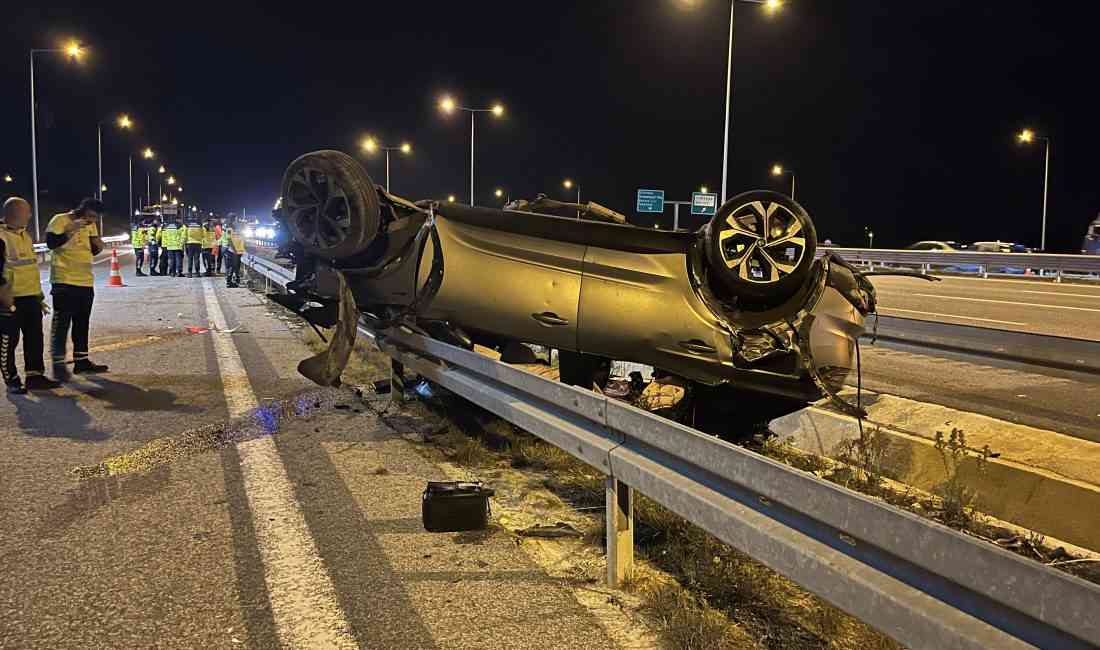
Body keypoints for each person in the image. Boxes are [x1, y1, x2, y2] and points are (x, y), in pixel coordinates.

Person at [0, 197, 63, 393]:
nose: (30, 214)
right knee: (8, 343)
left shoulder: (24, 236)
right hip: (9, 299)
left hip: (30, 298)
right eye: (27, 211)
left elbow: (29, 270)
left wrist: (39, 298)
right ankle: (12, 380)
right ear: (15, 213)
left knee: (34, 338)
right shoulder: (1, 237)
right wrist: (4, 297)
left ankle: (35, 377)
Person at [46, 197, 109, 380]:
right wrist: (70, 230)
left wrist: (98, 245)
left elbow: (92, 250)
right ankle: (58, 366)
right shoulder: (60, 220)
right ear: (82, 210)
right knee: (61, 324)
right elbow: (51, 243)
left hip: (85, 281)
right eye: (90, 216)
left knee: (82, 323)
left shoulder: (90, 225)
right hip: (64, 281)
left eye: (96, 218)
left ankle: (81, 362)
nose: (92, 221)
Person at [223, 223, 246, 288]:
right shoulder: (229, 229)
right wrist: (234, 250)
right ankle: (229, 282)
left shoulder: (240, 230)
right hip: (232, 251)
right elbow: (229, 240)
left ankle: (236, 281)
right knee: (232, 266)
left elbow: (243, 240)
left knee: (237, 267)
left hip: (238, 252)